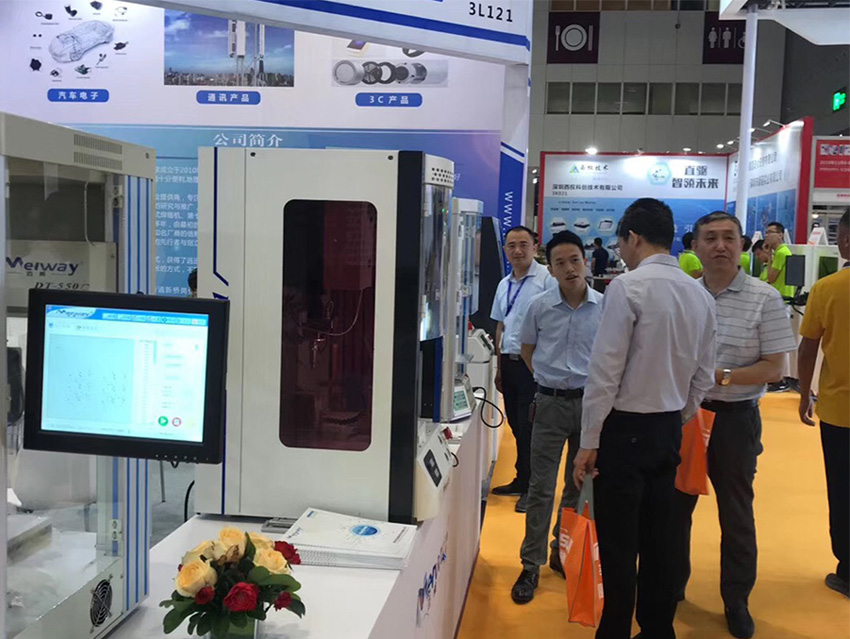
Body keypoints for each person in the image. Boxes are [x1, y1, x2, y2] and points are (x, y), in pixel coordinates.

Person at [573, 198, 716, 639]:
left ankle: (615, 629)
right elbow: (704, 375)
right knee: (660, 537)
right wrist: (677, 414)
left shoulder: (627, 288)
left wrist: (589, 441)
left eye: (622, 242)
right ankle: (657, 629)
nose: (621, 251)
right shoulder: (700, 294)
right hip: (668, 427)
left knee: (619, 543)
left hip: (624, 430)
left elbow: (605, 372)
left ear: (633, 237)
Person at [670, 212, 796, 639]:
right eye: (710, 238)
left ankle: (736, 599)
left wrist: (718, 376)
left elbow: (774, 368)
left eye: (729, 238)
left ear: (743, 245)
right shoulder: (682, 294)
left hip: (735, 419)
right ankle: (670, 587)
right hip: (686, 418)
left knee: (736, 513)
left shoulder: (765, 298)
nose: (720, 246)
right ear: (696, 247)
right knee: (674, 509)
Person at [510, 231, 604, 604]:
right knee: (541, 488)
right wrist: (549, 380)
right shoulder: (539, 306)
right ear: (550, 268)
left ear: (586, 261)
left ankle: (560, 551)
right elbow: (527, 350)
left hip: (589, 406)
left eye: (574, 260)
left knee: (577, 486)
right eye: (560, 263)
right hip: (548, 405)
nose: (569, 269)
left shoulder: (604, 306)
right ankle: (529, 564)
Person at [797, 208, 850, 599]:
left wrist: (803, 394)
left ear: (844, 241)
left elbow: (808, 347)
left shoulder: (828, 288)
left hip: (839, 411)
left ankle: (848, 570)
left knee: (843, 490)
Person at [491, 226, 557, 513]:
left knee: (532, 428)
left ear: (534, 247)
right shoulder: (503, 284)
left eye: (523, 244)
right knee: (517, 426)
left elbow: (554, 324)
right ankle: (521, 478)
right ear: (505, 249)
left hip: (533, 365)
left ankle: (534, 488)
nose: (517, 250)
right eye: (511, 245)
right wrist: (498, 367)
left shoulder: (546, 280)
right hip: (509, 362)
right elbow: (500, 326)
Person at [763, 222, 795, 299]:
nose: (767, 235)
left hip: (781, 296)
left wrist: (769, 256)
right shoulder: (781, 251)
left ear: (780, 235)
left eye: (770, 232)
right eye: (766, 233)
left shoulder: (781, 253)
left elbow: (771, 278)